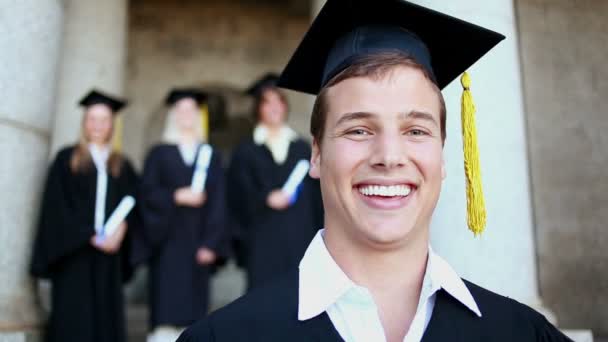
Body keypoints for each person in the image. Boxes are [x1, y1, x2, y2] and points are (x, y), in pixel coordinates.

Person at [177, 0, 573, 341]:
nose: (389, 155)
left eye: (416, 130)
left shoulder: (523, 334)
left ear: (443, 153)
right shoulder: (223, 337)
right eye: (359, 130)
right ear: (316, 154)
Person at [30, 89, 137, 342]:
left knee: (104, 318)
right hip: (74, 253)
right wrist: (88, 235)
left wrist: (120, 231)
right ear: (84, 123)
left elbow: (134, 203)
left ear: (112, 125)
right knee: (73, 319)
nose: (97, 125)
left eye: (104, 119)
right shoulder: (67, 159)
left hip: (108, 255)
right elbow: (56, 206)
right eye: (92, 118)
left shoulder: (122, 165)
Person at [136, 88, 228, 342]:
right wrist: (176, 196)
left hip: (198, 244)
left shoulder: (210, 155)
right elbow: (146, 194)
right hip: (166, 243)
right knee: (165, 306)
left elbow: (219, 201)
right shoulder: (159, 153)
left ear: (198, 116)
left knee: (194, 311)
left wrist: (211, 243)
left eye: (191, 110)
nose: (186, 115)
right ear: (173, 115)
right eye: (181, 110)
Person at [227, 73, 323, 289]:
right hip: (262, 235)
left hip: (299, 232)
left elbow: (317, 193)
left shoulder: (300, 147)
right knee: (263, 292)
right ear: (257, 108)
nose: (274, 107)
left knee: (297, 292)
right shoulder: (246, 150)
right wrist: (265, 198)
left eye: (279, 100)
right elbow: (236, 193)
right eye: (267, 102)